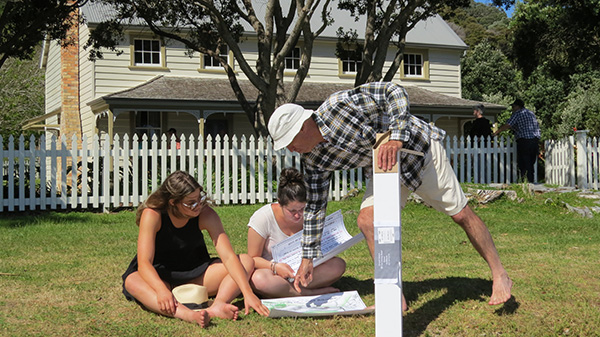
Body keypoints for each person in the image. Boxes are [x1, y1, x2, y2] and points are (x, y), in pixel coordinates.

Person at [267, 82, 513, 310]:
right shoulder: (313, 159)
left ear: (303, 126)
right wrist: (308, 257)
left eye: (290, 141)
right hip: (384, 167)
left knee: (461, 214)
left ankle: (500, 273)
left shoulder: (340, 106)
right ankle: (393, 298)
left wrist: (395, 136)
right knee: (367, 220)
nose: (290, 148)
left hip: (420, 153)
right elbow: (315, 208)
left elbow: (394, 92)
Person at [121, 170, 269, 327]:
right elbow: (144, 262)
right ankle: (188, 314)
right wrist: (160, 289)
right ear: (173, 202)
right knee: (132, 281)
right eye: (191, 202)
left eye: (200, 198)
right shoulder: (152, 214)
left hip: (196, 274)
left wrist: (247, 293)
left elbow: (228, 257)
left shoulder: (206, 215)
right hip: (158, 276)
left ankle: (217, 305)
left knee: (245, 261)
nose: (198, 205)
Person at [246, 167, 346, 298]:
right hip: (273, 272)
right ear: (280, 203)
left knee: (338, 265)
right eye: (292, 211)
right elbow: (252, 259)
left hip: (304, 267)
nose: (298, 215)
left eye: (302, 209)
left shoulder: (311, 215)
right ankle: (306, 292)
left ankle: (285, 290)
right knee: (258, 279)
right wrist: (275, 267)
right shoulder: (262, 218)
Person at [493, 99, 541, 183]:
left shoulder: (518, 113)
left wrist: (497, 132)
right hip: (534, 140)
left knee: (523, 162)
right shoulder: (530, 113)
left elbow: (508, 124)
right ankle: (531, 180)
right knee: (531, 162)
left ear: (518, 106)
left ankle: (524, 181)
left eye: (513, 106)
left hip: (524, 140)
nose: (512, 108)